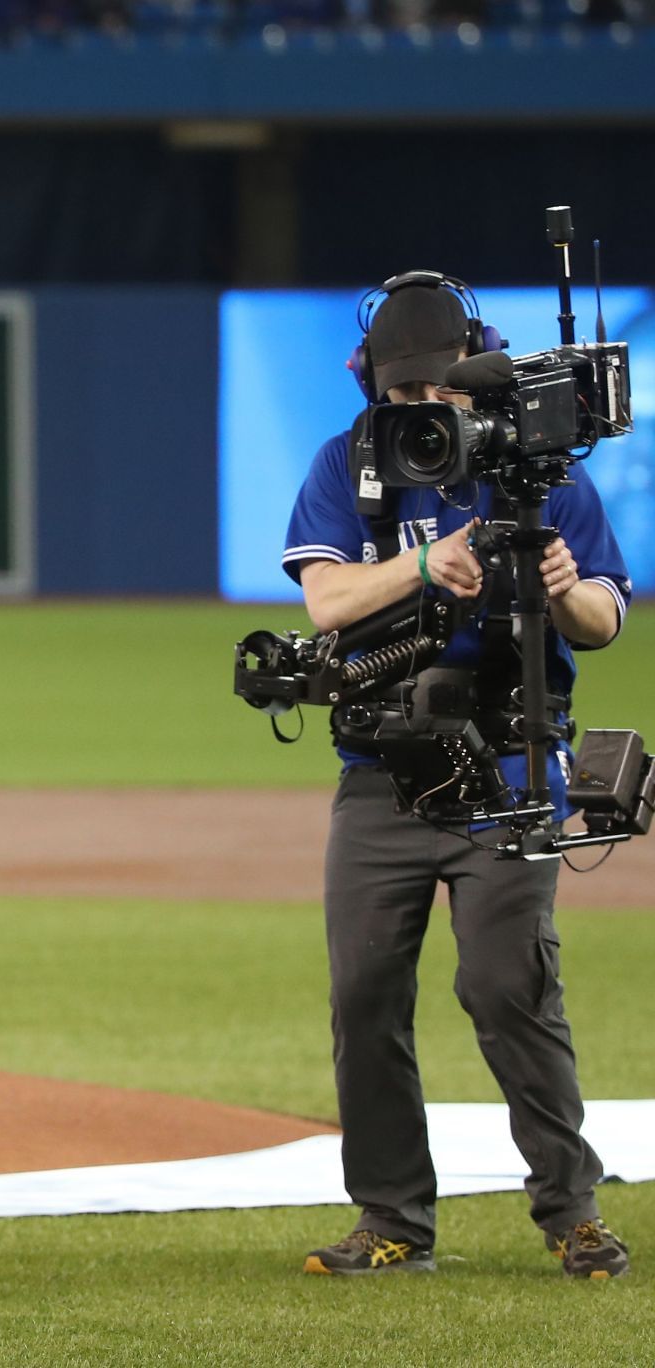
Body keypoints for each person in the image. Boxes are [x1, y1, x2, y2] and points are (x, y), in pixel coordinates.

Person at [282, 271, 633, 1280]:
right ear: (372, 387)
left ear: (478, 376)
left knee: (507, 986)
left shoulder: (544, 469)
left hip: (511, 763)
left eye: (442, 391)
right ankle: (392, 1221)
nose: (424, 411)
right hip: (380, 771)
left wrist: (565, 591)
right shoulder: (346, 465)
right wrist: (430, 567)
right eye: (403, 396)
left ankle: (572, 1212)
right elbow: (326, 601)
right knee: (363, 996)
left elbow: (606, 621)